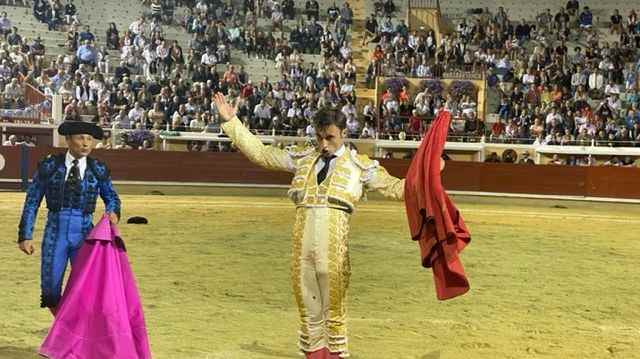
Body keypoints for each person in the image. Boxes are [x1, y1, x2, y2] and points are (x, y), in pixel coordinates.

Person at [213, 93, 405, 358]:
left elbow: (397, 188)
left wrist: (428, 173)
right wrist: (232, 122)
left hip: (334, 255)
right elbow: (262, 154)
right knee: (309, 311)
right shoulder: (304, 157)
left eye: (330, 138)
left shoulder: (362, 167)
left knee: (334, 313)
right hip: (302, 252)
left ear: (343, 133)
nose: (323, 144)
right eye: (319, 137)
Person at [17, 120, 121, 314]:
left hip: (85, 233)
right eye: (81, 138)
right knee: (50, 290)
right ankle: (64, 331)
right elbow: (32, 201)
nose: (86, 143)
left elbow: (112, 197)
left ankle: (73, 335)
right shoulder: (50, 166)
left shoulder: (98, 169)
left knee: (87, 287)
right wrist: (25, 235)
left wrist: (113, 211)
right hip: (55, 231)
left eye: (90, 139)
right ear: (68, 140)